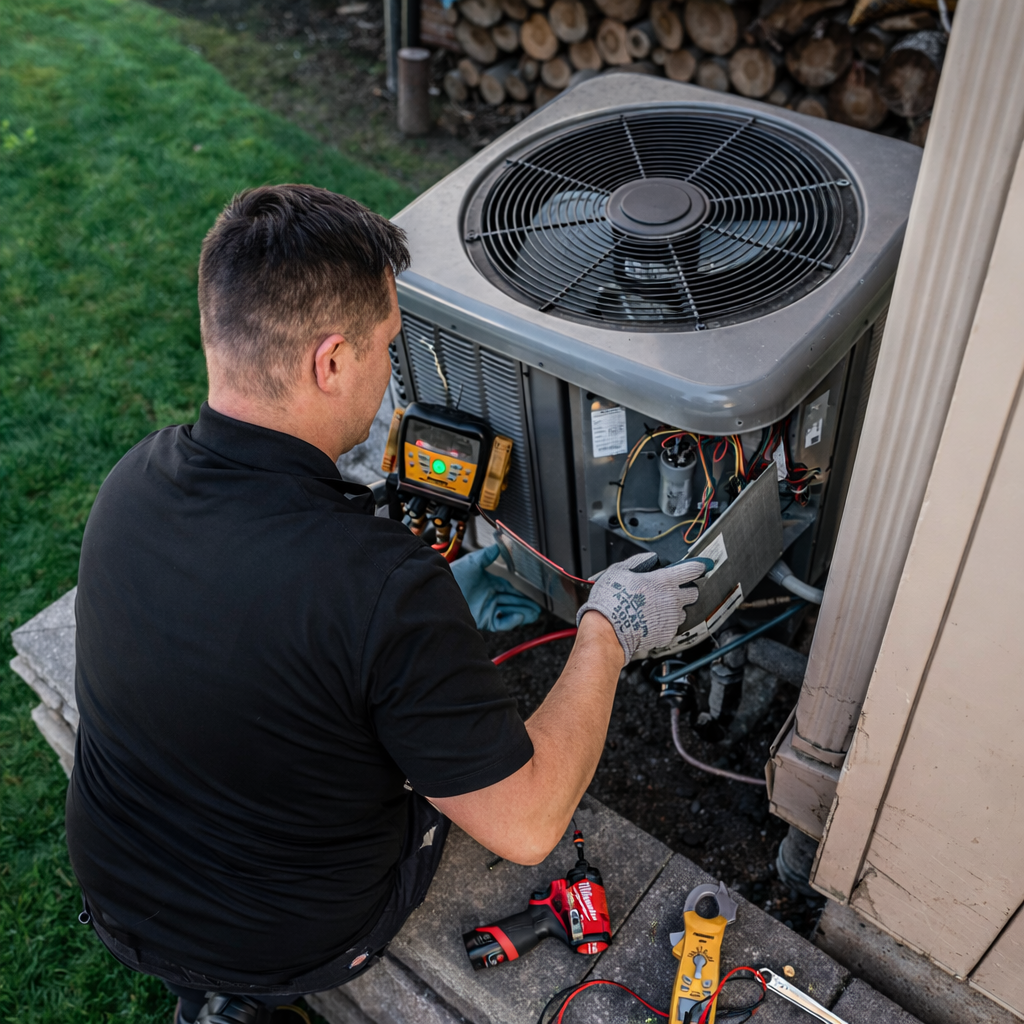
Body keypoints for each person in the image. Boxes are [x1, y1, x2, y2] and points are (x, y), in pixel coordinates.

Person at [66, 185, 708, 1024]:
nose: (392, 372)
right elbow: (526, 825)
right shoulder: (381, 584)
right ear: (330, 363)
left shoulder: (132, 480)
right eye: (387, 348)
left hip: (117, 884)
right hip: (293, 938)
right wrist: (608, 630)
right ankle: (244, 1002)